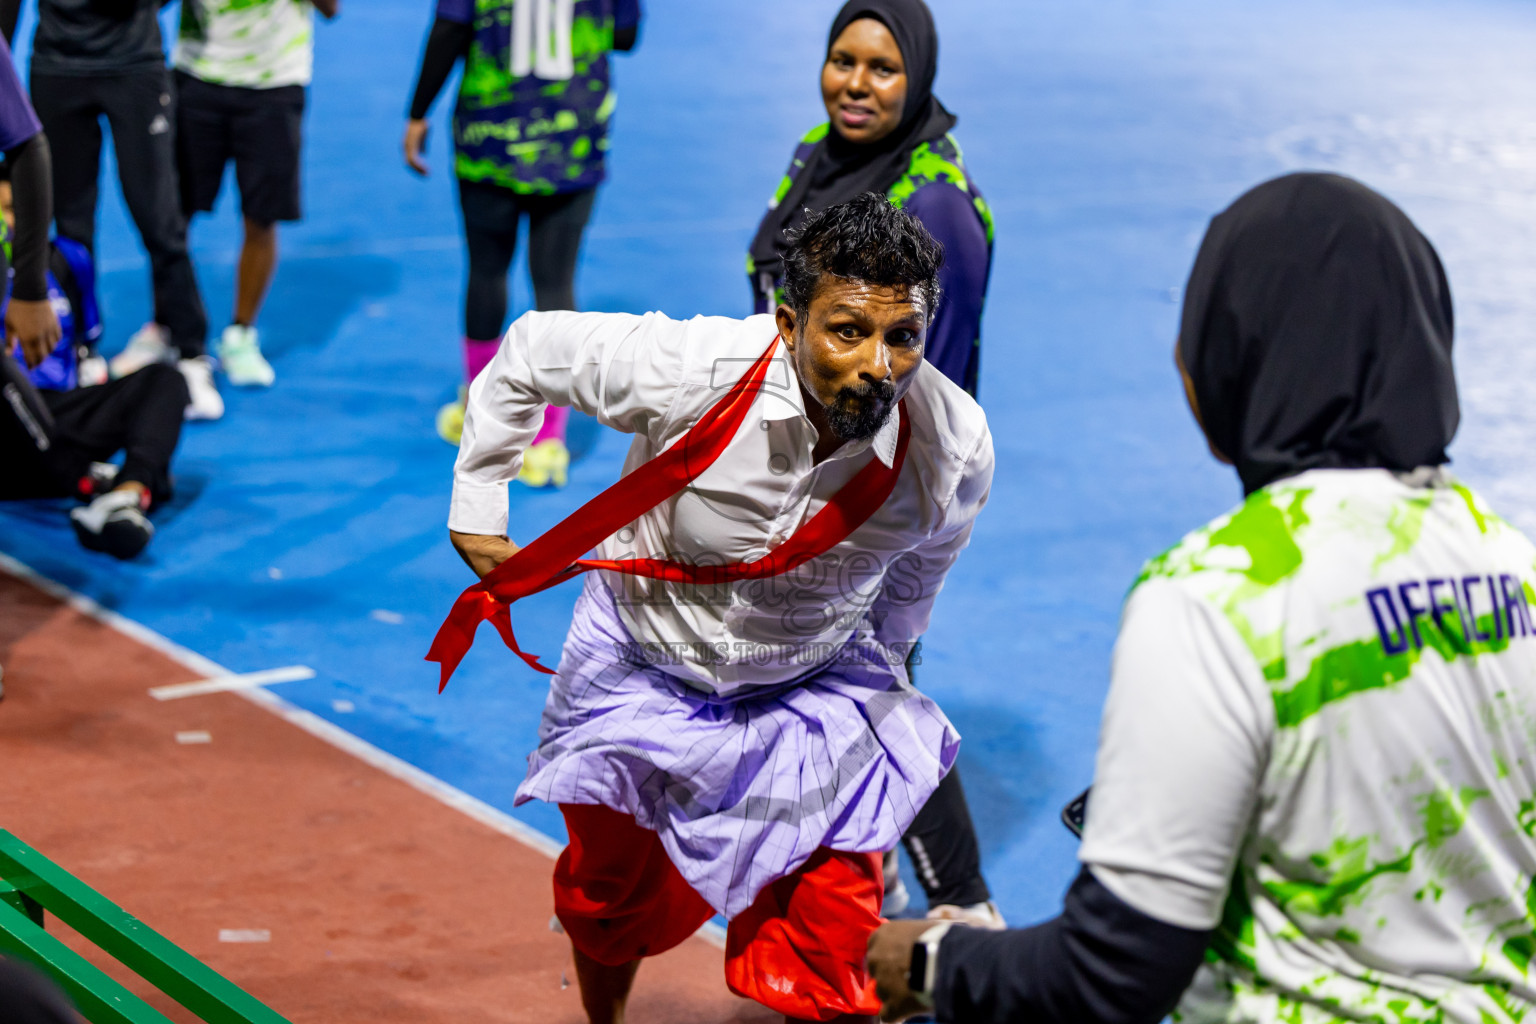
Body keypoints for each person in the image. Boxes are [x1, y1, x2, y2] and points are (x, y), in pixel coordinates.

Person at [866, 173, 1536, 1023]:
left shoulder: (1219, 597)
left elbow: (1111, 973)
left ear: (1219, 366)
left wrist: (931, 960)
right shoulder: (1514, 565)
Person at [429, 195, 992, 1023]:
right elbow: (528, 352)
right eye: (847, 330)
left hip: (810, 692)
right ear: (788, 321)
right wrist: (478, 501)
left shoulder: (952, 444)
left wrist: (890, 659)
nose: (878, 363)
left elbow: (922, 571)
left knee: (833, 946)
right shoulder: (691, 366)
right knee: (605, 901)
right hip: (639, 671)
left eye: (901, 337)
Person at [750, 0, 997, 927]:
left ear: (918, 76)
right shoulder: (817, 153)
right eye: (842, 61)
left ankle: (963, 910)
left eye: (882, 69)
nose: (856, 85)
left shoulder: (934, 204)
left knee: (873, 682)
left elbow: (929, 386)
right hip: (785, 466)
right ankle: (865, 879)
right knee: (820, 678)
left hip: (880, 488)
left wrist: (859, 500)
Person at [404, 0, 642, 484]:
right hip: (571, 139)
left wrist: (417, 112)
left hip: (492, 137)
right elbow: (624, 35)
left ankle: (481, 411)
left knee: (487, 269)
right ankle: (547, 441)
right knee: (556, 283)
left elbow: (450, 29)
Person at [0, 0, 220, 421]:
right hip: (56, 67)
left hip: (133, 67)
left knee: (159, 221)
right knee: (69, 225)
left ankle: (191, 355)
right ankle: (81, 351)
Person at [171, 0, 339, 388]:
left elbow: (331, 7)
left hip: (274, 83)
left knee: (260, 219)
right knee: (172, 215)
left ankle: (241, 333)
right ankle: (168, 323)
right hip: (196, 75)